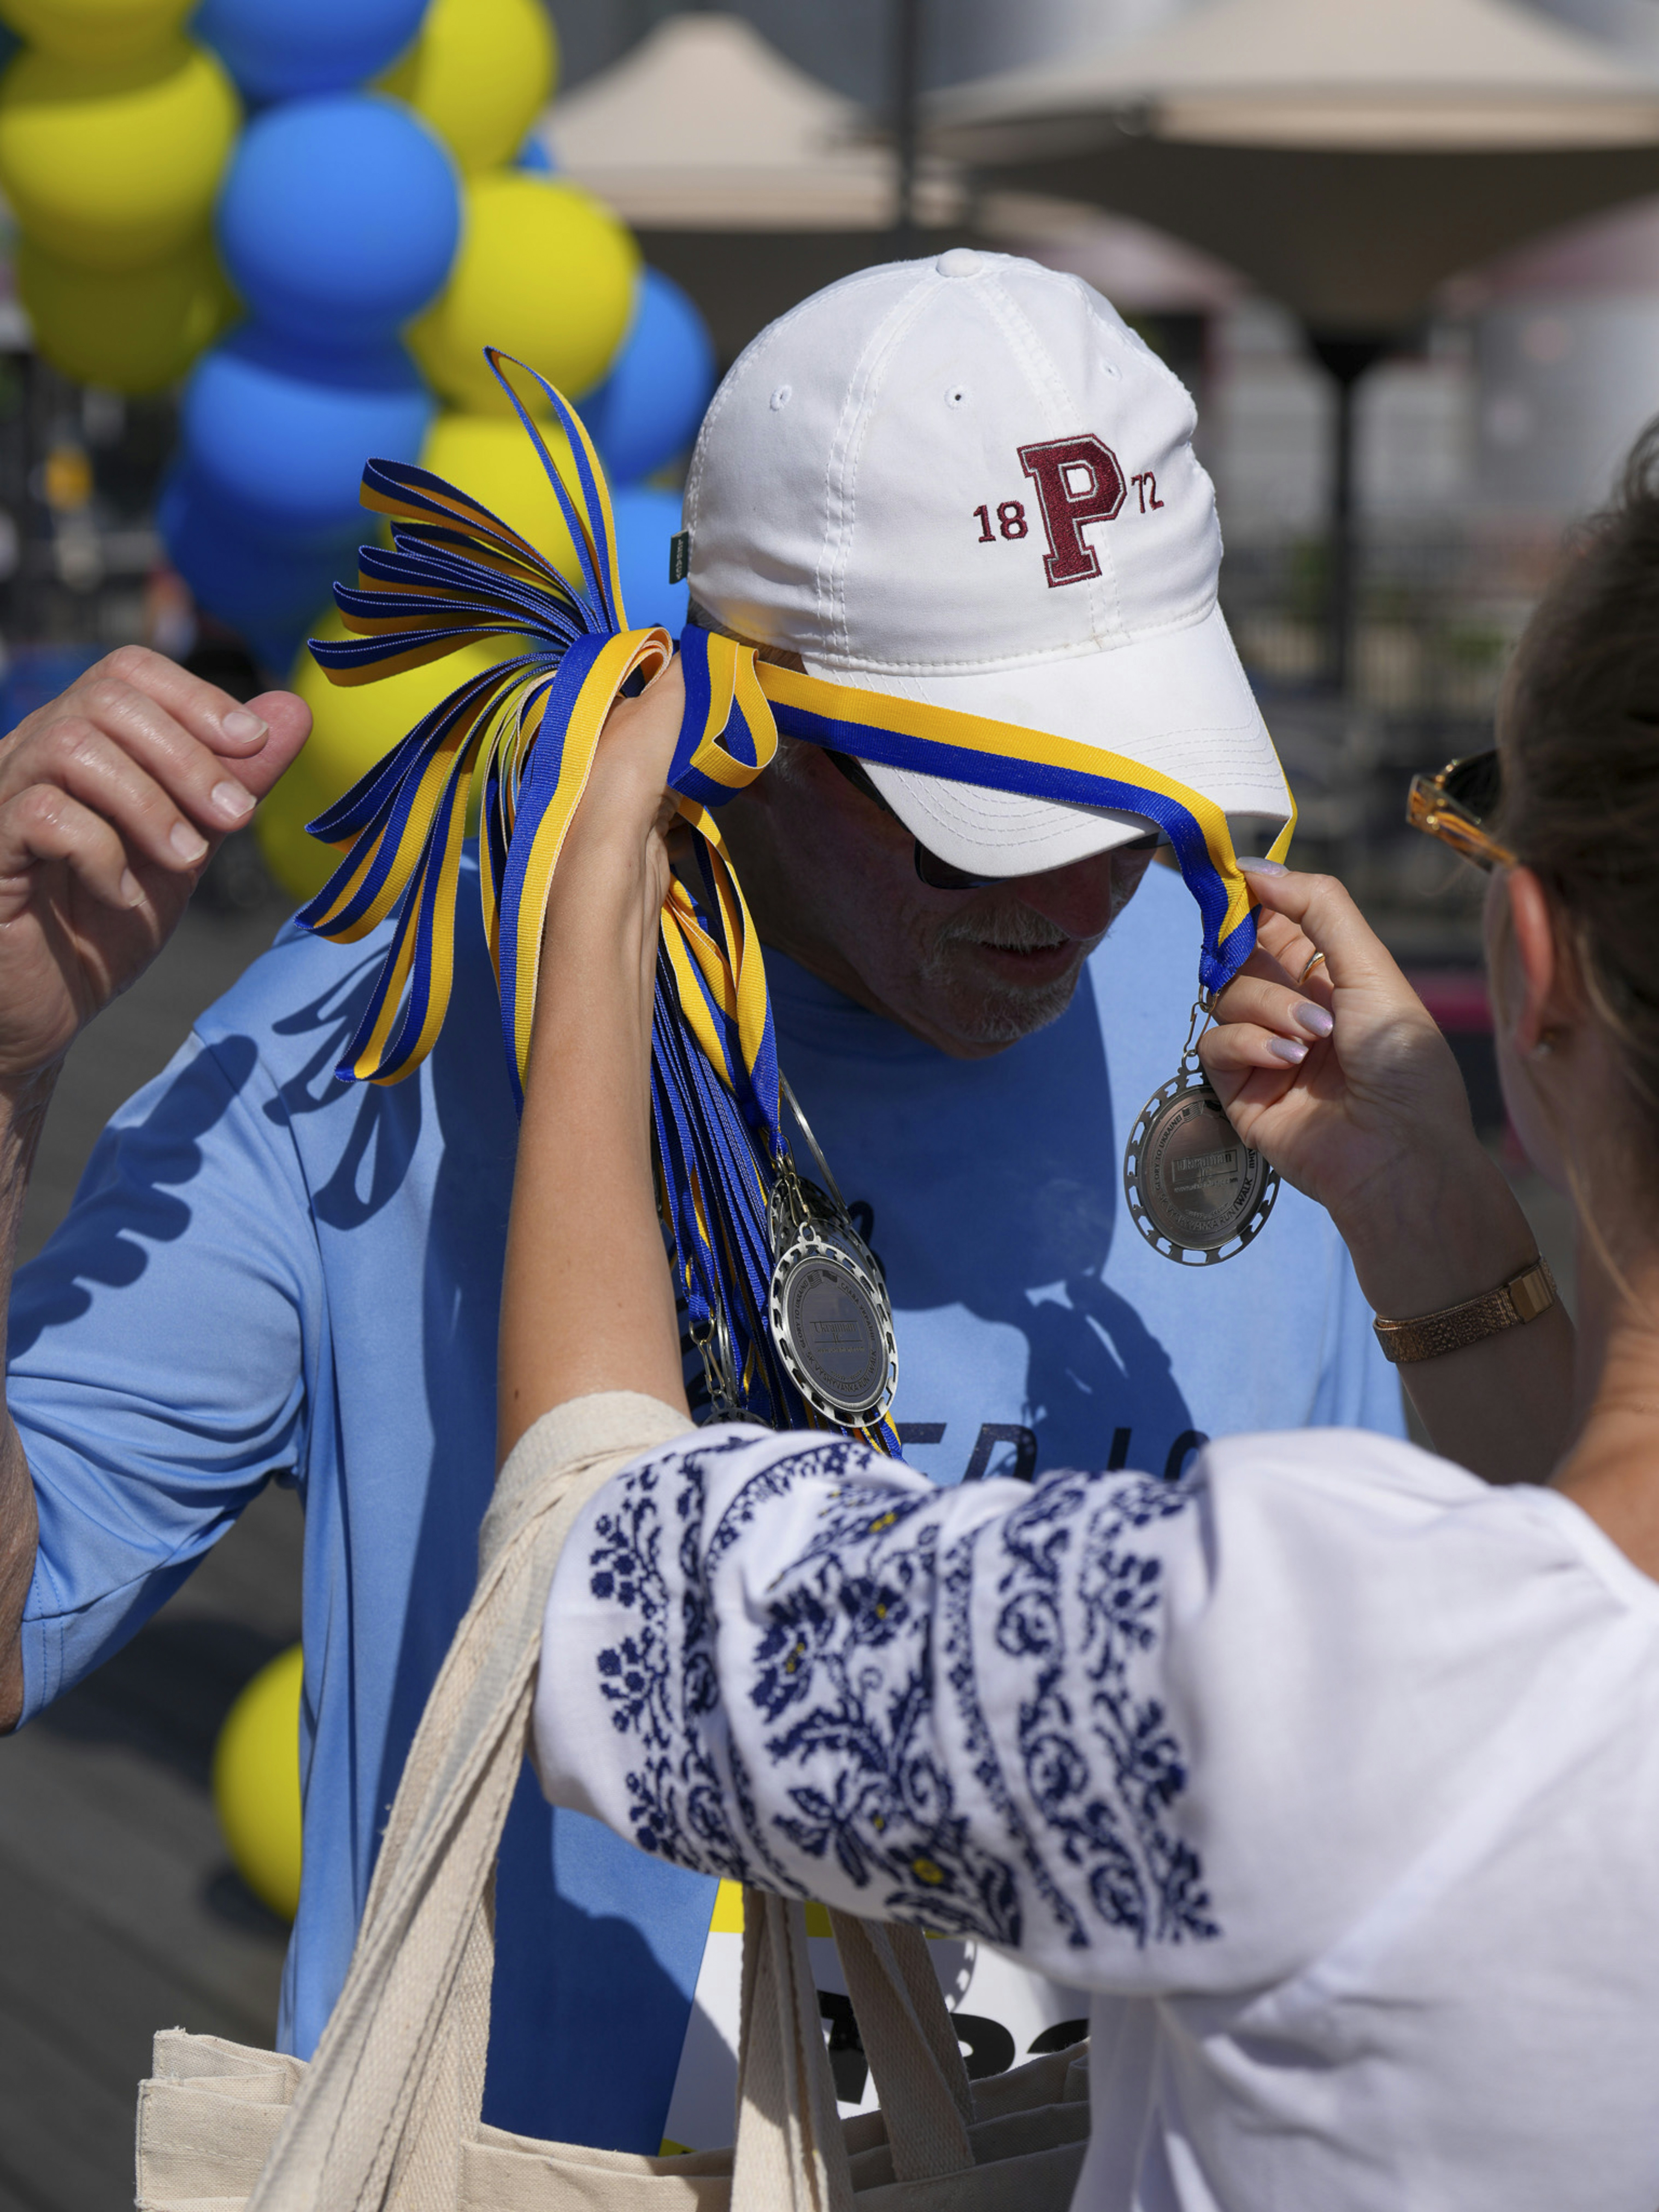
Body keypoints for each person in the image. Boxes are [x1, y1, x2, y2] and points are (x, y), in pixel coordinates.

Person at [0, 255, 1408, 2152]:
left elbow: (1392, 1736)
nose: (1080, 893)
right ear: (731, 718)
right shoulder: (391, 1029)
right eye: (974, 810)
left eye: (1140, 785)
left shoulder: (1267, 1052)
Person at [502, 433, 1659, 2208]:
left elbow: (607, 1590)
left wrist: (596, 912)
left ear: (1529, 960)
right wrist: (1437, 1242)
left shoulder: (1303, 1663)